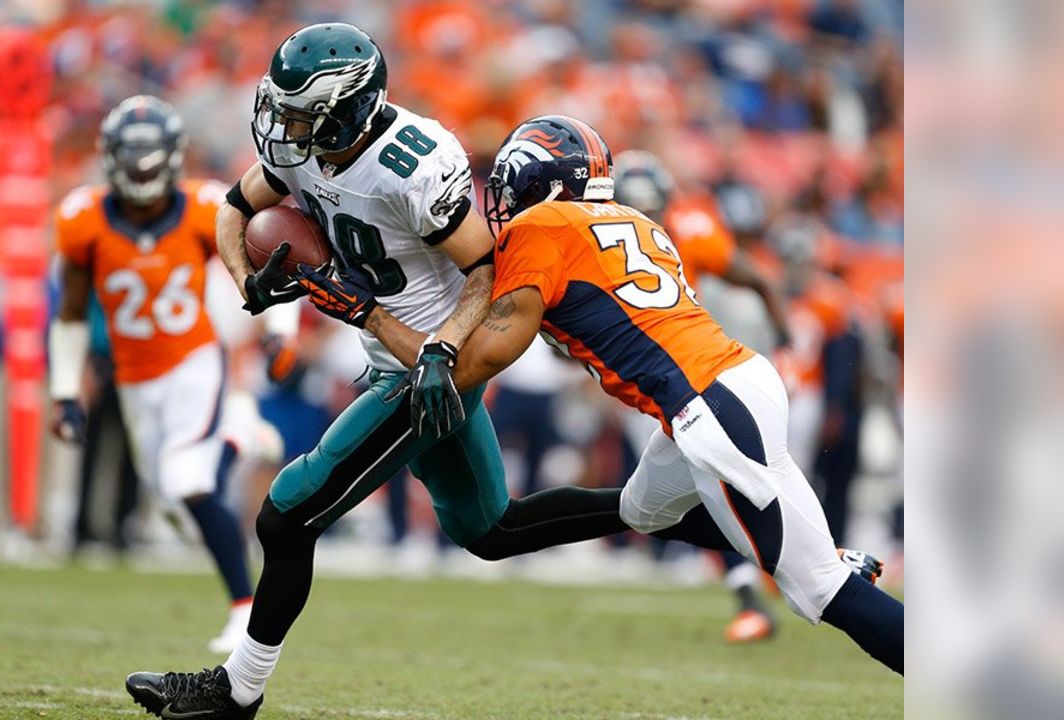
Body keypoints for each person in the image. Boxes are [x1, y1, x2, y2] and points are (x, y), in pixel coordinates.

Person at [124, 25, 629, 719]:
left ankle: (236, 691)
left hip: (425, 366)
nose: (286, 125)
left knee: (287, 515)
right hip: (390, 352)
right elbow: (234, 210)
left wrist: (442, 350)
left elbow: (484, 270)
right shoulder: (301, 149)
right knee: (490, 530)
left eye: (304, 113)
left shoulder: (411, 165)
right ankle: (665, 509)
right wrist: (249, 280)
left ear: (348, 108)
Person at [323, 115, 904, 678]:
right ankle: (817, 551)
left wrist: (370, 315)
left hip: (709, 409)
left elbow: (472, 366)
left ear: (543, 183)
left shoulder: (540, 229)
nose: (501, 204)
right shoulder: (634, 220)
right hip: (735, 382)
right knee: (643, 509)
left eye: (509, 186)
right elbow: (581, 332)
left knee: (822, 592)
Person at [48, 95, 255, 654]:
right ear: (111, 157)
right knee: (172, 502)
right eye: (131, 156)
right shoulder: (82, 219)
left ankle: (246, 611)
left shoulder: (202, 208)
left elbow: (256, 265)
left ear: (172, 157)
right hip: (133, 379)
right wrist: (65, 391)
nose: (141, 168)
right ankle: (237, 434)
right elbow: (68, 313)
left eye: (150, 156)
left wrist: (279, 332)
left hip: (193, 362)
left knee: (189, 479)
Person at [612, 150, 789, 643]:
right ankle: (777, 568)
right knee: (686, 494)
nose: (645, 220)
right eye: (635, 208)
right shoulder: (603, 236)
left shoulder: (691, 228)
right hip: (646, 383)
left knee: (716, 483)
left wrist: (787, 342)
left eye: (653, 209)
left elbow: (759, 278)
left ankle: (762, 584)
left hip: (690, 377)